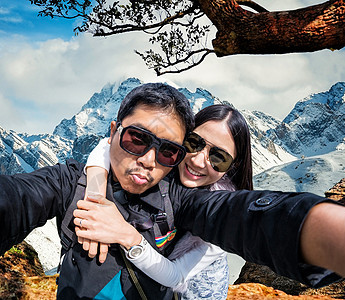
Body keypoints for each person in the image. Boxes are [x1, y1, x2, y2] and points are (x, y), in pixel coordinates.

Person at [0, 83, 345, 299]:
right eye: (138, 139)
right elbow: (8, 200)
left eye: (169, 150)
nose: (151, 160)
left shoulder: (185, 197)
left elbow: (247, 216)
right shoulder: (71, 180)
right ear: (114, 131)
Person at [80, 104, 252, 299]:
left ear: (232, 167)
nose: (197, 161)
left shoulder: (222, 215)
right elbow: (108, 143)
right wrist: (96, 197)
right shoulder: (166, 160)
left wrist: (128, 237)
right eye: (194, 143)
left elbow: (176, 276)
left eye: (219, 157)